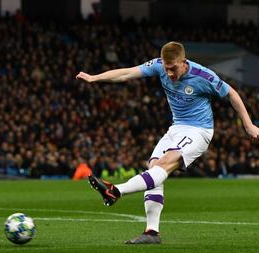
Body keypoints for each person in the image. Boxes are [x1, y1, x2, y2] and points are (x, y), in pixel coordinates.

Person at [76, 41, 259, 244]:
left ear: (184, 62)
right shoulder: (158, 65)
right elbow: (126, 73)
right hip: (176, 128)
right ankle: (151, 233)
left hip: (199, 130)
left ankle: (116, 191)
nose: (169, 73)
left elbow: (231, 93)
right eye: (166, 68)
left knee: (164, 164)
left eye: (173, 68)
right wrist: (94, 78)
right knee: (154, 169)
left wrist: (248, 125)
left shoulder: (203, 76)